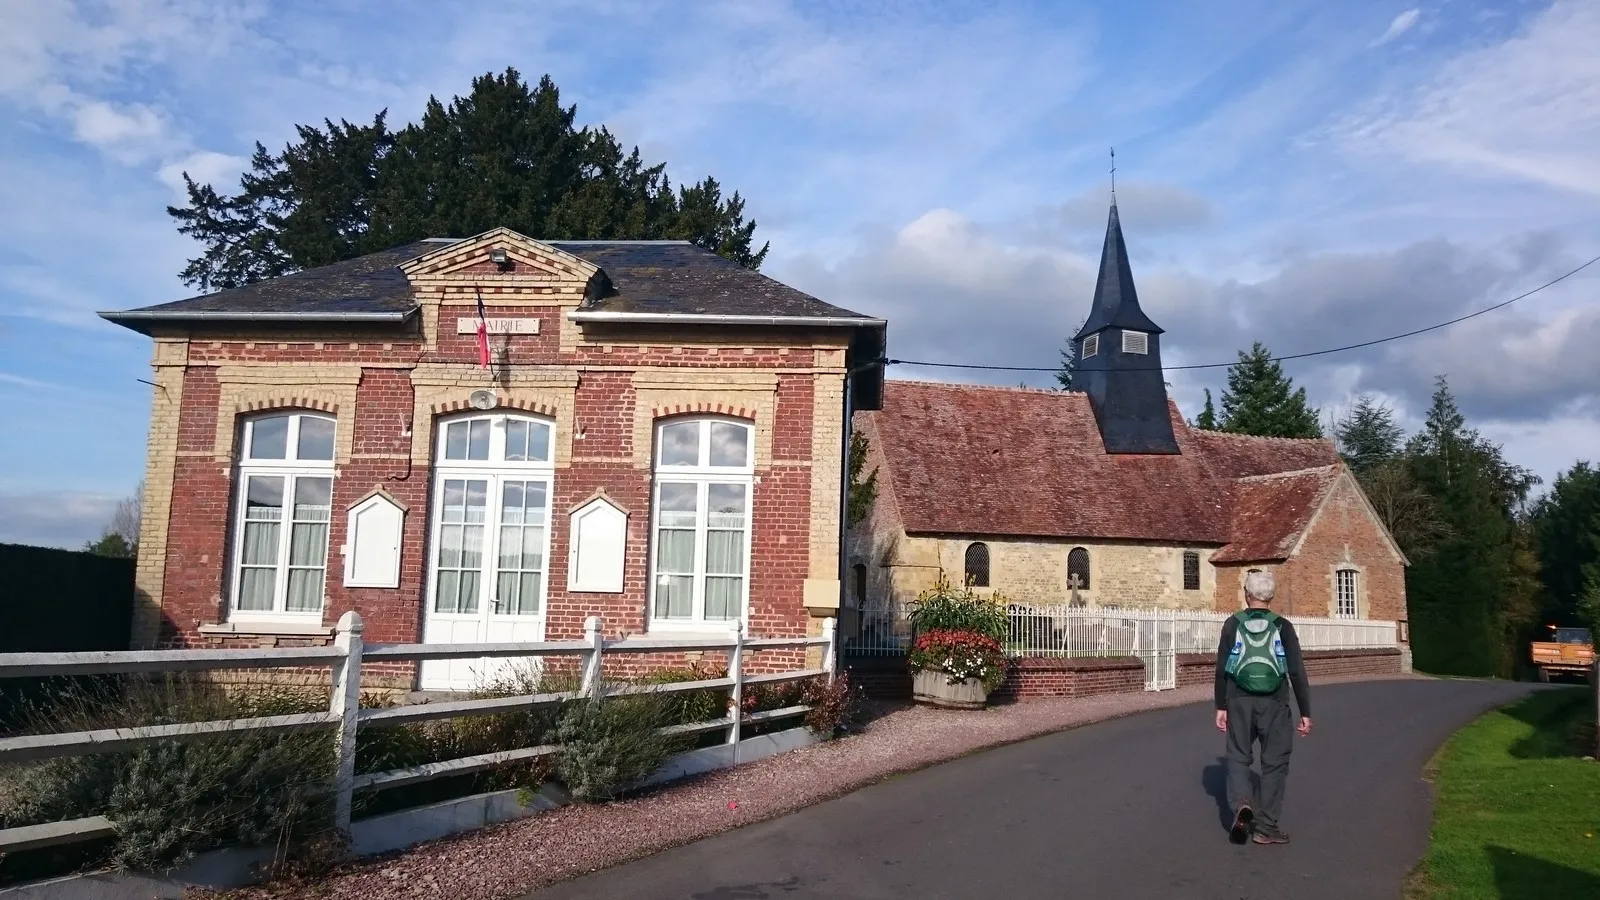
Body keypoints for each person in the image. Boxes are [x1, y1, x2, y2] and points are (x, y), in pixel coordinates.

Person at [1214, 569, 1312, 845]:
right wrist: (1305, 712)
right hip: (1275, 702)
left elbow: (1222, 669)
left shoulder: (1233, 624)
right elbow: (1296, 671)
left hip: (1238, 699)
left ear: (1247, 594)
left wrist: (1221, 706)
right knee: (1274, 763)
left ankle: (1242, 803)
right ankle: (1266, 827)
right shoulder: (1283, 626)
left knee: (1237, 756)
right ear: (1271, 596)